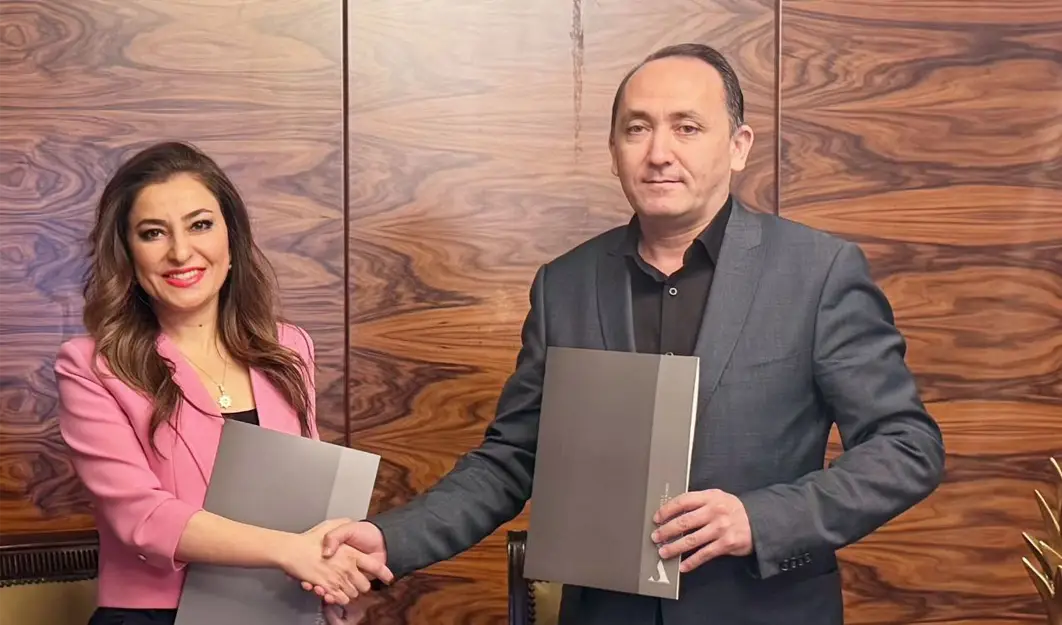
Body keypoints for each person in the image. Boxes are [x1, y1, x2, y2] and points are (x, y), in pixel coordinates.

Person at [317, 43, 946, 624]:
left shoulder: (817, 271)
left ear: (738, 146)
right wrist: (392, 539)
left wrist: (761, 518)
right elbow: (515, 457)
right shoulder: (565, 284)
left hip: (765, 609)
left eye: (687, 127)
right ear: (614, 149)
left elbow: (906, 447)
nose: (659, 152)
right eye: (637, 128)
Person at [54, 141, 392, 625]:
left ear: (231, 238)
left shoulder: (289, 348)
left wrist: (332, 585)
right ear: (128, 254)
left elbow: (305, 493)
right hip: (155, 616)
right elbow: (139, 516)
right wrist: (291, 552)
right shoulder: (91, 365)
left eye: (200, 225)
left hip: (278, 608)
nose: (180, 252)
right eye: (153, 233)